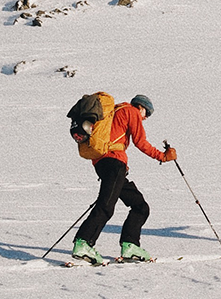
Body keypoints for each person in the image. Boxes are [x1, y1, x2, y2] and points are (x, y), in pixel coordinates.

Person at [71, 94, 174, 264]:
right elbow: (140, 142)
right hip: (114, 164)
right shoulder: (130, 111)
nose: (145, 118)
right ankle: (83, 243)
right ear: (140, 107)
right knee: (106, 206)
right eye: (147, 113)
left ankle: (130, 246)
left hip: (104, 164)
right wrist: (162, 156)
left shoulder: (114, 111)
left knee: (140, 206)